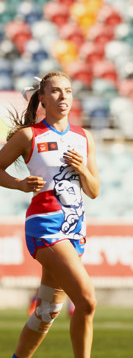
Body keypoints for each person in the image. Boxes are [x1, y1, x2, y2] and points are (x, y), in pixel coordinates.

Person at [0, 71, 99, 358]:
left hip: (74, 226)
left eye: (67, 90)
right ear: (42, 98)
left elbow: (94, 190)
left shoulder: (84, 137)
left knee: (47, 311)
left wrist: (82, 170)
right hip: (45, 225)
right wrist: (19, 184)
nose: (63, 96)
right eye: (55, 91)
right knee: (87, 301)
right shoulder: (28, 136)